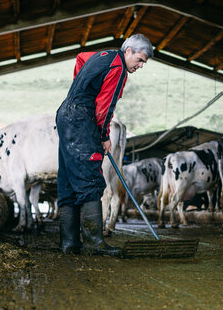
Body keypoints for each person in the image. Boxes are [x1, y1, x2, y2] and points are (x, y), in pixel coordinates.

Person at [56, 34, 153, 255]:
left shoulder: (102, 56)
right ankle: (94, 244)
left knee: (69, 181)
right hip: (82, 119)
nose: (139, 66)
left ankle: (69, 244)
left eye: (143, 63)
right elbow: (104, 106)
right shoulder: (118, 67)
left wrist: (77, 91)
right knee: (91, 179)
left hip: (65, 114)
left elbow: (81, 58)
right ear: (128, 51)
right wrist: (103, 135)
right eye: (139, 60)